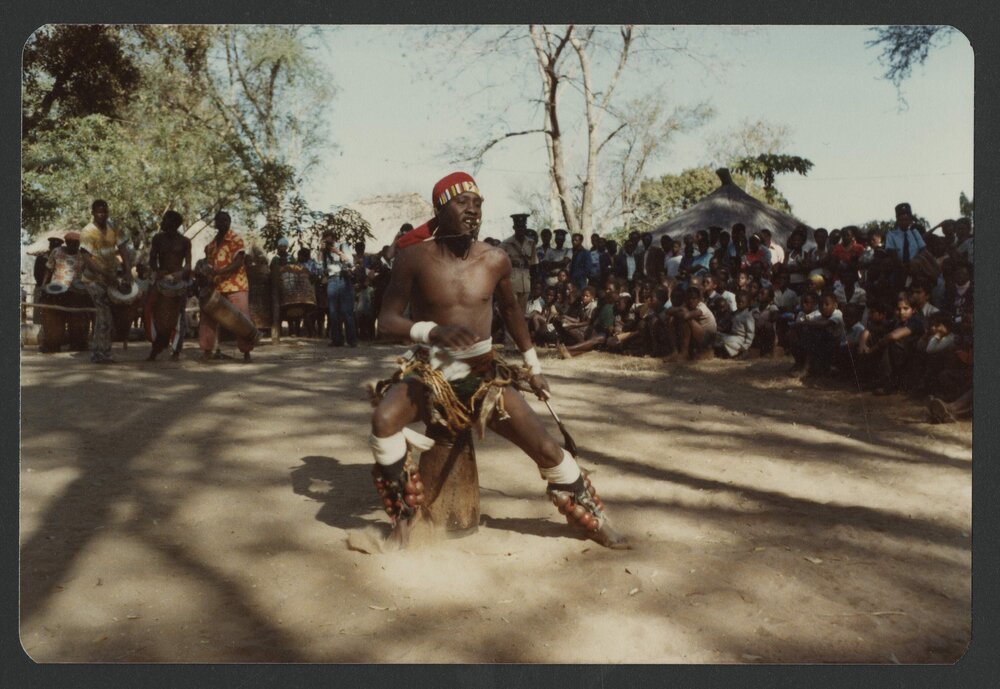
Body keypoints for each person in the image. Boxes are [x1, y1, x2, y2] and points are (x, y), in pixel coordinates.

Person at [368, 171, 627, 549]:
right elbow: (385, 321)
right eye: (462, 203)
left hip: (483, 376)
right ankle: (405, 522)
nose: (473, 211)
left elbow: (512, 312)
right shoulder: (413, 259)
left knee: (547, 448)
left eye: (478, 205)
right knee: (383, 420)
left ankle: (592, 516)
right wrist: (431, 332)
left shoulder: (496, 259)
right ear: (440, 210)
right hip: (431, 375)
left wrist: (533, 368)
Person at [78, 199, 133, 364]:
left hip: (109, 277)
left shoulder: (113, 227)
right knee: (104, 314)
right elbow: (87, 259)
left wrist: (128, 270)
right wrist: (105, 274)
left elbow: (123, 248)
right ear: (93, 213)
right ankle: (101, 354)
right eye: (99, 212)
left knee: (106, 316)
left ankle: (100, 351)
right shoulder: (87, 232)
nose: (102, 215)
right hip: (93, 279)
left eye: (105, 211)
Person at [198, 211, 255, 362]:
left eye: (226, 220)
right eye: (220, 220)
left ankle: (246, 352)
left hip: (236, 285)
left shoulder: (236, 239)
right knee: (207, 316)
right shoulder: (211, 245)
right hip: (217, 287)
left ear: (229, 222)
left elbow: (238, 262)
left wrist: (217, 272)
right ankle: (207, 350)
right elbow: (209, 264)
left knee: (241, 319)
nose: (223, 223)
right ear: (215, 223)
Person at [144, 210, 192, 361]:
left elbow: (189, 263)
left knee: (178, 317)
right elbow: (152, 259)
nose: (162, 222)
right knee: (154, 313)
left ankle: (176, 350)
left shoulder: (185, 241)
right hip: (161, 281)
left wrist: (181, 273)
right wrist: (158, 271)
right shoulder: (158, 239)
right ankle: (157, 347)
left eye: (165, 220)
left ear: (173, 223)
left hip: (179, 282)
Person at [320, 229, 358, 347]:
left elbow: (351, 262)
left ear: (333, 238)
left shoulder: (342, 246)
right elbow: (323, 268)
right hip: (331, 281)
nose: (327, 240)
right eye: (325, 238)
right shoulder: (324, 252)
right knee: (333, 312)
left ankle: (352, 340)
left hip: (343, 279)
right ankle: (337, 339)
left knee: (346, 311)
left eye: (329, 238)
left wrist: (338, 252)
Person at [499, 213, 537, 314]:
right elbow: (498, 262)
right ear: (514, 227)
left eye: (523, 227)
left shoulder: (531, 243)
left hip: (526, 281)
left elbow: (533, 265)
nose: (521, 229)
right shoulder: (506, 244)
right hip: (512, 281)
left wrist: (533, 285)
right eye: (518, 227)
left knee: (523, 312)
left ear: (525, 227)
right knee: (512, 310)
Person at [884, 202, 926, 292]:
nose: (904, 222)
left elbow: (923, 251)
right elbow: (892, 254)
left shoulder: (915, 233)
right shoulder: (891, 235)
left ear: (910, 220)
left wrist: (915, 264)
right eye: (901, 220)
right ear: (897, 220)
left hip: (916, 269)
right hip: (900, 270)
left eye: (906, 219)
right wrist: (904, 267)